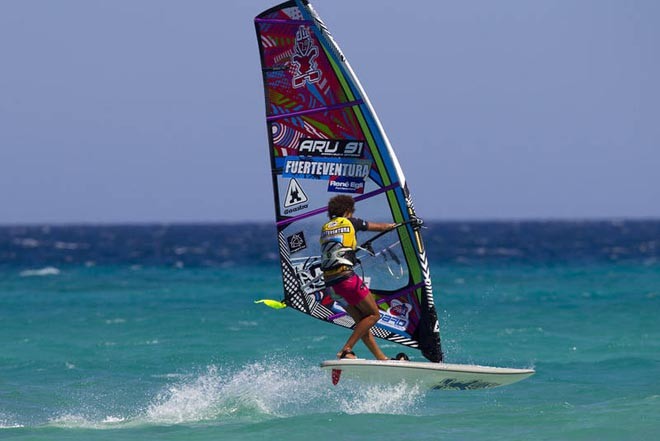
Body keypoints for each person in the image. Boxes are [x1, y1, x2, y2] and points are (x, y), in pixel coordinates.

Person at [320, 195, 400, 361]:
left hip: (330, 285)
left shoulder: (326, 227)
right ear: (347, 211)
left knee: (362, 324)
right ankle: (346, 349)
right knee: (373, 315)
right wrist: (394, 226)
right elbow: (378, 227)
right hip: (346, 280)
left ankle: (381, 358)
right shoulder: (350, 222)